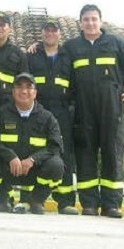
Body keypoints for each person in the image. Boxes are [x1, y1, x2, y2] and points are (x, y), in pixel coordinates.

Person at [62, 4, 124, 218]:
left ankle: (111, 205)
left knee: (112, 154)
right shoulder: (71, 47)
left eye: (94, 19)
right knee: (85, 155)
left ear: (101, 21)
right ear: (80, 23)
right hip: (83, 109)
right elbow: (59, 67)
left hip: (111, 109)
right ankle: (89, 204)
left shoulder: (116, 44)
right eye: (86, 19)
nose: (90, 23)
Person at [0, 73, 64, 214]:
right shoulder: (0, 114)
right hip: (8, 168)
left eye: (29, 87)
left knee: (56, 165)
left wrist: (33, 160)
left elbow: (55, 146)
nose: (24, 91)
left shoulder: (47, 117)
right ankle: (2, 200)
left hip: (34, 170)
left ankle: (36, 201)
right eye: (19, 87)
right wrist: (10, 156)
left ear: (35, 93)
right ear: (13, 92)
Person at [27, 18, 78, 215]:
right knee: (33, 150)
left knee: (63, 154)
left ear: (59, 34)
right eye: (46, 30)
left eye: (53, 30)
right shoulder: (32, 56)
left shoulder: (68, 57)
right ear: (42, 33)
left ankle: (65, 202)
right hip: (37, 111)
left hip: (61, 112)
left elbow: (75, 85)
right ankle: (29, 199)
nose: (50, 33)